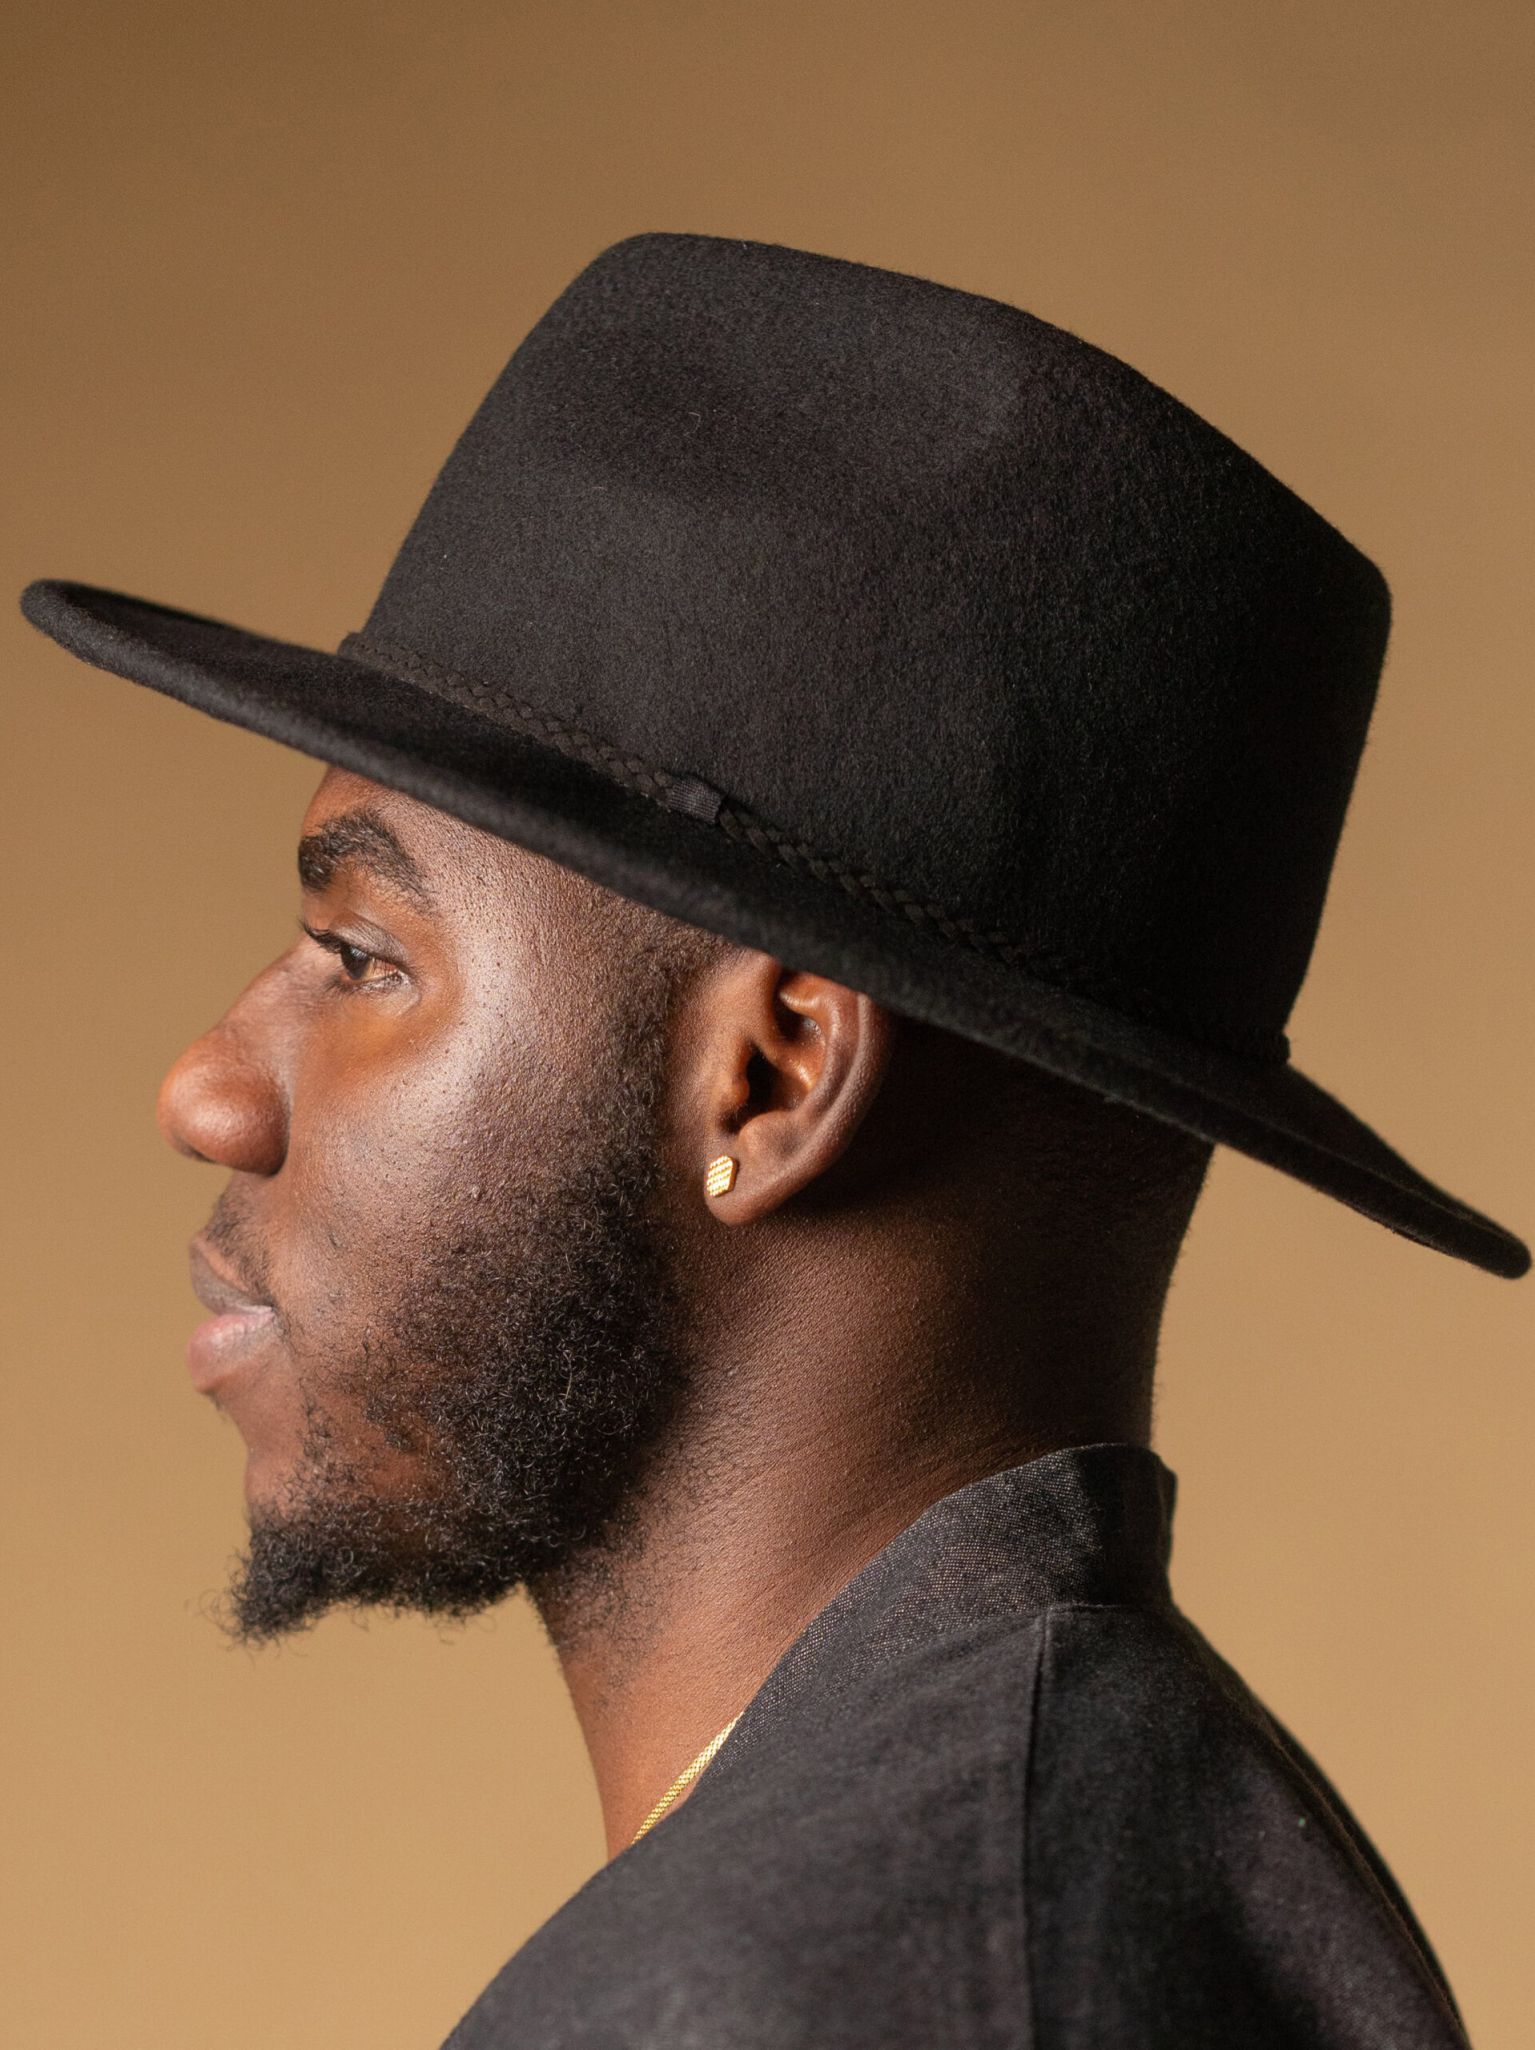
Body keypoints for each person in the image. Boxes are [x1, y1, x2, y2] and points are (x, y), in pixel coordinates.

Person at [21, 233, 1526, 2048]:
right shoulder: (1086, 1845)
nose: (207, 1086)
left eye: (362, 956)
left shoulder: (818, 1993)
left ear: (775, 1074)